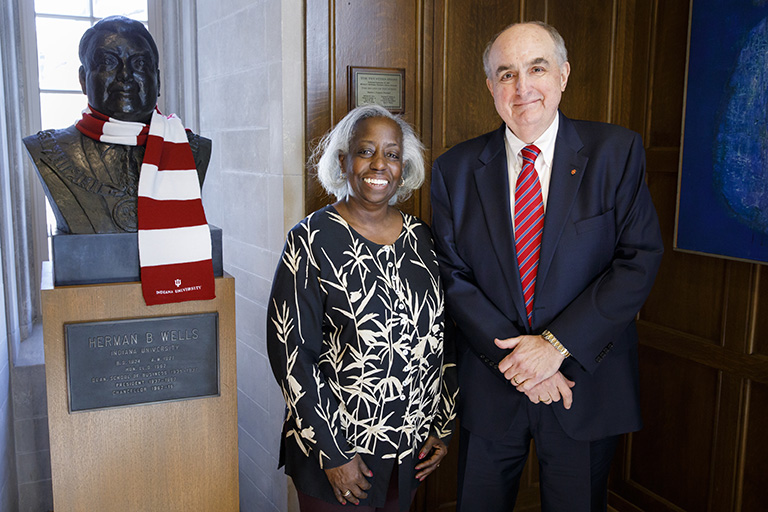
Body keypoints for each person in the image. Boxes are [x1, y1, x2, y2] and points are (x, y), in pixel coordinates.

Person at [430, 21, 663, 512]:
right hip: (494, 387)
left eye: (536, 68)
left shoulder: (616, 153)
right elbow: (453, 276)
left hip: (584, 385)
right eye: (506, 74)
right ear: (491, 87)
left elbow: (637, 260)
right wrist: (523, 364)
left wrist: (556, 347)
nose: (522, 87)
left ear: (562, 74)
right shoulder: (455, 170)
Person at [267, 104, 457, 512]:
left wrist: (441, 424)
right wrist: (334, 454)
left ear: (402, 168)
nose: (379, 164)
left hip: (409, 450)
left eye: (391, 154)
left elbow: (445, 337)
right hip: (336, 452)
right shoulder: (311, 240)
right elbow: (291, 354)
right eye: (365, 150)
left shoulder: (424, 241)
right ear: (343, 161)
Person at [23, 15, 211, 234]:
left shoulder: (191, 149)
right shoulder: (46, 151)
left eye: (139, 64)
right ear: (83, 80)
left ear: (157, 81)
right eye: (108, 63)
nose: (125, 76)